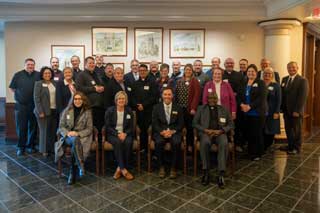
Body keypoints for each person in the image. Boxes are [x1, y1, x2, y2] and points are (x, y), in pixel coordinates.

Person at [193, 92, 234, 187]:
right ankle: (206, 172)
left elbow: (231, 124)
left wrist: (221, 131)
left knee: (224, 143)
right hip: (206, 133)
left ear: (217, 99)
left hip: (220, 133)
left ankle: (221, 174)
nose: (212, 100)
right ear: (207, 99)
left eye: (214, 98)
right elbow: (194, 123)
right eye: (210, 98)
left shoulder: (224, 109)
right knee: (205, 142)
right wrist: (205, 130)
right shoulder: (201, 109)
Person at [57, 92, 93, 185]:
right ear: (73, 100)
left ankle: (72, 173)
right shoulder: (67, 110)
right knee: (75, 141)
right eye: (75, 99)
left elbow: (89, 128)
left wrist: (77, 133)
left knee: (75, 143)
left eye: (79, 99)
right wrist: (68, 133)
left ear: (83, 100)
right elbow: (61, 126)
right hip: (68, 137)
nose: (77, 101)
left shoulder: (87, 112)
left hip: (81, 137)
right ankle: (81, 166)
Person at [9, 58, 40, 156]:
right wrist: (21, 95)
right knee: (21, 127)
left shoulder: (38, 75)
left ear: (34, 65)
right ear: (25, 65)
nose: (30, 66)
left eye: (32, 65)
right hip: (21, 106)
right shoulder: (18, 75)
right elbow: (12, 88)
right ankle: (21, 147)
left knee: (33, 127)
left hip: (34, 106)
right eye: (28, 64)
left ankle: (30, 146)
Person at [152, 87, 184, 179]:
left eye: (169, 94)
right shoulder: (156, 107)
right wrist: (162, 132)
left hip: (174, 131)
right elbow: (154, 123)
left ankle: (173, 168)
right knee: (159, 142)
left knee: (176, 142)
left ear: (172, 96)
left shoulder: (178, 107)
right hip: (161, 131)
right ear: (162, 95)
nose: (167, 96)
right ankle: (161, 167)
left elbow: (181, 123)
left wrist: (173, 131)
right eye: (165, 94)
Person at [105, 91, 134, 180]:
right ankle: (124, 169)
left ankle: (119, 168)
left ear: (126, 100)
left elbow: (131, 126)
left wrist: (125, 134)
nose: (121, 100)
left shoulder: (129, 111)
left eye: (123, 98)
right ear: (116, 100)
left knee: (128, 142)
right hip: (113, 134)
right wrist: (117, 134)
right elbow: (108, 126)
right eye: (119, 98)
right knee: (117, 142)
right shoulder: (110, 110)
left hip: (126, 134)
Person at [240, 64, 267, 161]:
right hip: (246, 113)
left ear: (256, 73)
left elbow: (261, 98)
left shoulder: (261, 83)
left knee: (257, 133)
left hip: (257, 113)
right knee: (249, 133)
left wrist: (250, 106)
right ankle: (251, 152)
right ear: (246, 73)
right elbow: (240, 95)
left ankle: (258, 153)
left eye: (253, 71)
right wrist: (242, 105)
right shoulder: (244, 82)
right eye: (249, 71)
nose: (250, 73)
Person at [281, 61, 308, 154]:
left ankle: (297, 148)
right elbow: (283, 95)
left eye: (293, 67)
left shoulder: (302, 80)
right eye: (289, 67)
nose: (291, 69)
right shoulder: (284, 79)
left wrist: (297, 110)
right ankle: (290, 146)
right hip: (286, 110)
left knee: (297, 130)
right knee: (288, 129)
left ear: (297, 68)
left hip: (296, 111)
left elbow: (302, 97)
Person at [131, 64, 158, 150]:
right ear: (138, 72)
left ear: (147, 72)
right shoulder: (134, 84)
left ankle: (149, 149)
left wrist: (144, 105)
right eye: (140, 70)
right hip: (138, 111)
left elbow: (154, 97)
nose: (142, 72)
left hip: (149, 111)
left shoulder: (152, 82)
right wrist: (137, 105)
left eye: (144, 70)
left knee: (149, 129)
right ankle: (141, 148)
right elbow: (132, 97)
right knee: (140, 130)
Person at [76, 56, 105, 136]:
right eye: (90, 63)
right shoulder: (81, 75)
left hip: (100, 106)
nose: (92, 64)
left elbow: (100, 85)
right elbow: (79, 88)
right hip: (89, 106)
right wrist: (93, 89)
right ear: (85, 64)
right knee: (91, 128)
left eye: (93, 63)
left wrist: (102, 87)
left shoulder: (96, 74)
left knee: (99, 128)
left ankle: (99, 146)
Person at [175, 64, 200, 152]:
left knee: (189, 128)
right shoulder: (179, 81)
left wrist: (193, 108)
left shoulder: (195, 81)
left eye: (189, 70)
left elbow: (196, 96)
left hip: (189, 109)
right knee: (180, 126)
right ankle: (181, 144)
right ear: (184, 71)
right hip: (180, 108)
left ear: (192, 71)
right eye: (186, 70)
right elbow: (176, 94)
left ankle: (190, 145)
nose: (188, 71)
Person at [223, 57, 246, 152]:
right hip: (224, 105)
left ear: (234, 64)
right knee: (224, 124)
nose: (229, 64)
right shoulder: (221, 74)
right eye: (227, 63)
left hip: (236, 103)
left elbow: (242, 89)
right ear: (224, 65)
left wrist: (234, 94)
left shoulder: (239, 75)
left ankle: (238, 144)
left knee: (237, 124)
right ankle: (226, 143)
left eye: (231, 63)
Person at [34, 66, 57, 156]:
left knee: (52, 130)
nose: (47, 75)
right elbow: (36, 98)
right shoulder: (38, 83)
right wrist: (40, 111)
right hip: (43, 111)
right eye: (45, 73)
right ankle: (43, 150)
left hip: (54, 110)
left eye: (49, 73)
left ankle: (51, 148)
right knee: (44, 131)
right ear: (42, 75)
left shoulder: (54, 83)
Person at [263, 67, 281, 151]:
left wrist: (277, 112)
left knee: (271, 128)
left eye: (269, 73)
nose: (267, 75)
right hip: (262, 111)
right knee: (263, 128)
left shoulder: (276, 85)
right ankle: (263, 145)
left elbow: (279, 99)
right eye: (266, 73)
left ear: (272, 75)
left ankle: (268, 144)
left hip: (272, 111)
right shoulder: (261, 83)